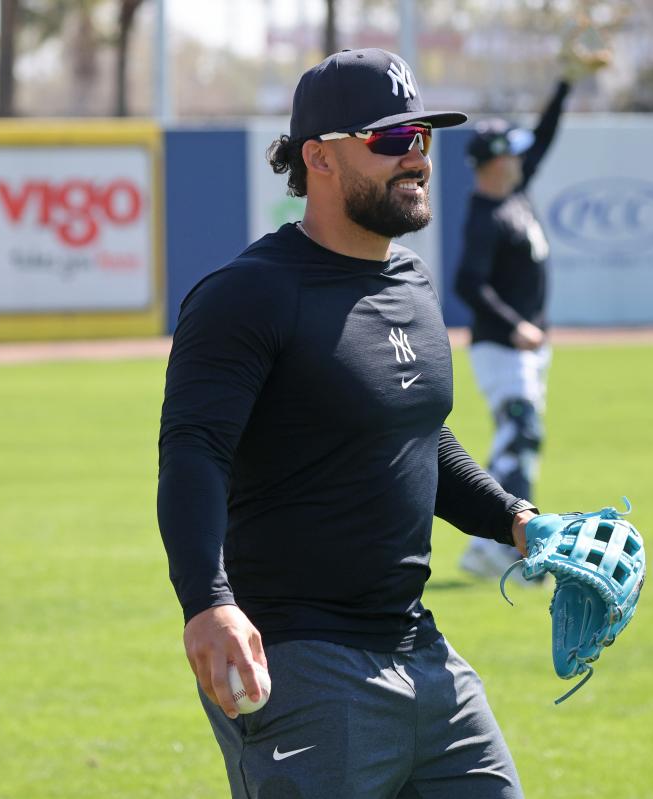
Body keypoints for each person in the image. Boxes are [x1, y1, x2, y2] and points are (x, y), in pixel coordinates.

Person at [157, 48, 537, 799]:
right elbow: (194, 451)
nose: (417, 157)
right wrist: (207, 601)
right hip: (303, 668)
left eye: (423, 137)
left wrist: (518, 520)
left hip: (425, 654)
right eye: (391, 140)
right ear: (320, 158)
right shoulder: (247, 295)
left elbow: (416, 435)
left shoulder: (412, 284)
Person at [455, 45, 607, 581]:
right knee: (518, 432)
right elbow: (466, 283)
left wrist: (566, 85)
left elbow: (541, 139)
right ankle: (501, 545)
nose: (521, 158)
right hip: (501, 348)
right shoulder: (486, 216)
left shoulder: (514, 191)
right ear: (495, 160)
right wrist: (513, 323)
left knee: (524, 440)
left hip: (528, 348)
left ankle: (507, 546)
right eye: (512, 153)